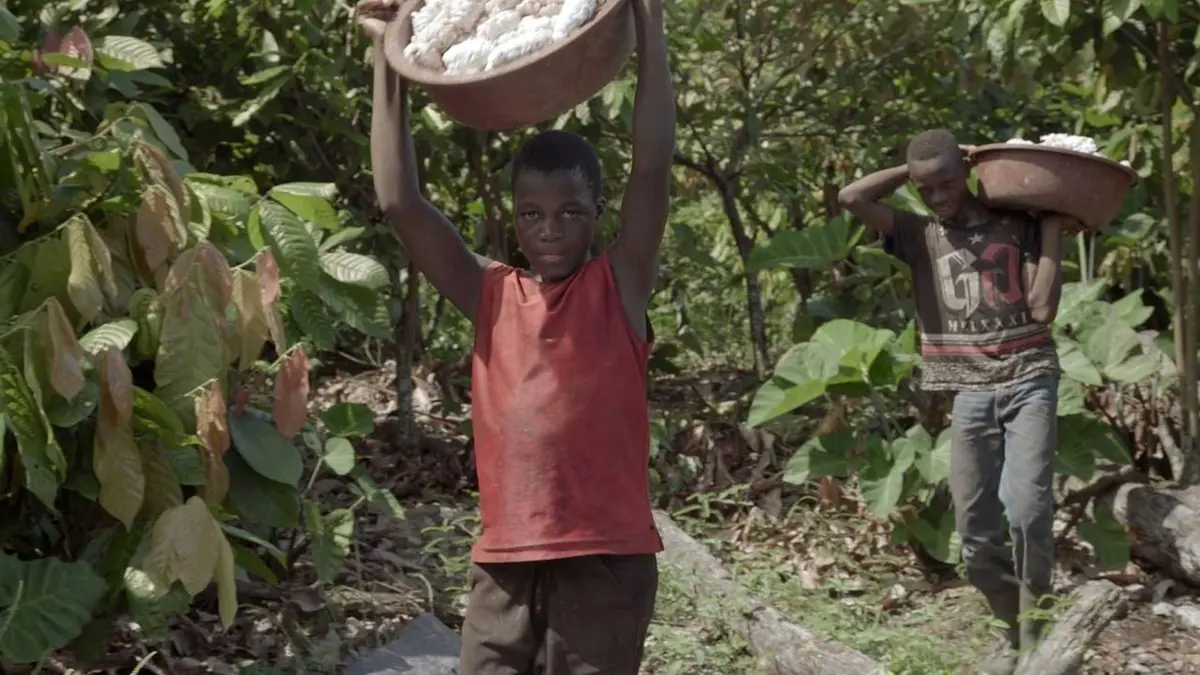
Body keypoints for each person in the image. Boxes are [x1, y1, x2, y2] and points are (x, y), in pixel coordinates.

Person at [355, 1, 675, 672]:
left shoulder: (619, 286)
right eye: (532, 214)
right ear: (514, 219)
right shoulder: (492, 294)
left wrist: (648, 22)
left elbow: (652, 166)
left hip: (604, 560)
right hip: (504, 562)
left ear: (597, 214)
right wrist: (387, 59)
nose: (549, 229)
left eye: (570, 212)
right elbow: (400, 202)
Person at [838, 129, 1075, 674]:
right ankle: (1013, 630)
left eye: (946, 183)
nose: (937, 196)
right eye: (926, 188)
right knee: (974, 536)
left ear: (965, 173)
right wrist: (913, 169)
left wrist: (1052, 232)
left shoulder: (1017, 224)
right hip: (971, 391)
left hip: (1029, 378)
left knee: (1028, 510)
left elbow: (1042, 310)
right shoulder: (918, 234)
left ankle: (1037, 631)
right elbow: (852, 197)